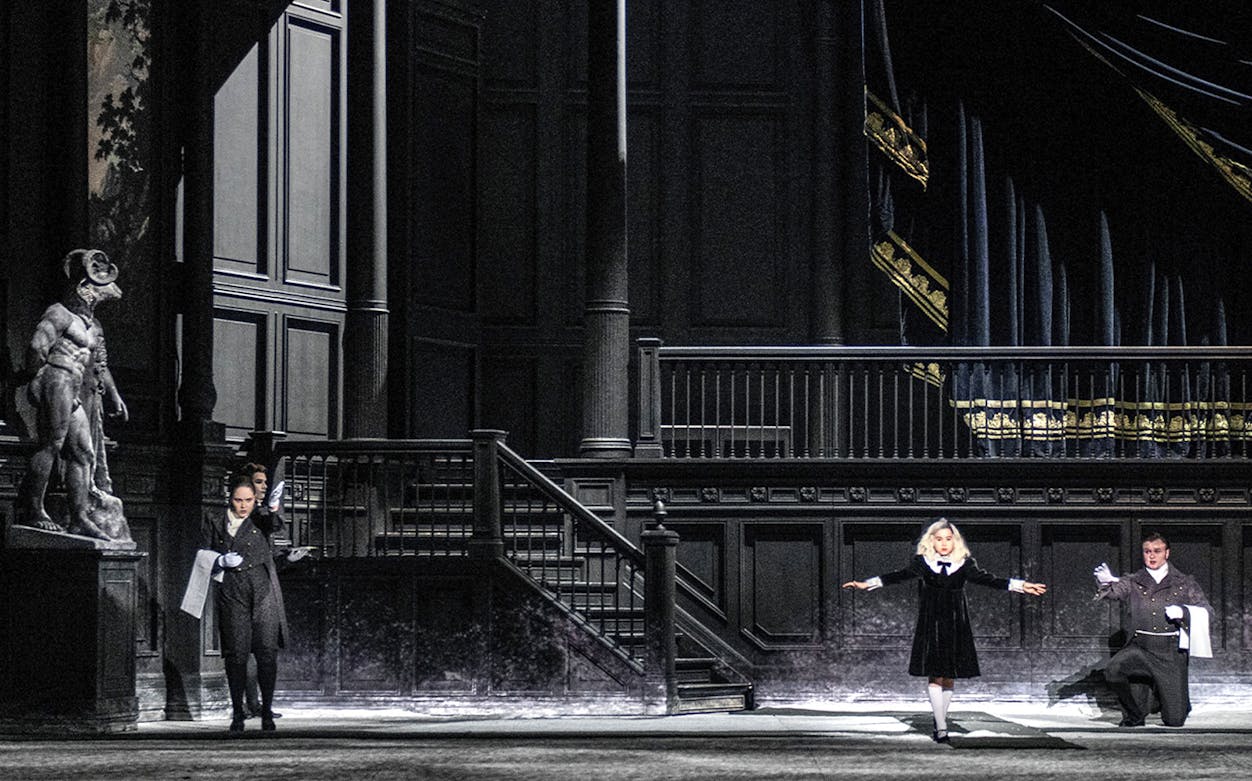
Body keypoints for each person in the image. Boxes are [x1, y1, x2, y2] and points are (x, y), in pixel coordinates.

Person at [842, 518, 1047, 743]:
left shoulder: (964, 563)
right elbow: (899, 575)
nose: (944, 544)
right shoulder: (923, 562)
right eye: (939, 539)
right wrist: (867, 583)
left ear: (955, 541)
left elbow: (989, 580)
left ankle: (942, 720)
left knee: (949, 676)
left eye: (948, 539)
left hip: (956, 623)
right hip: (932, 623)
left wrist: (1021, 585)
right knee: (935, 674)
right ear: (931, 541)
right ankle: (941, 726)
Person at [18, 249, 129, 540]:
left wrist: (114, 395)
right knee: (52, 444)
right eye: (101, 286)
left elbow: (100, 364)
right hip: (58, 376)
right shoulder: (60, 313)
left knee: (83, 452)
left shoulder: (92, 325)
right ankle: (35, 510)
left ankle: (79, 516)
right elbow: (37, 347)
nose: (108, 291)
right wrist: (39, 377)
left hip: (75, 385)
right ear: (85, 288)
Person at [202, 473, 307, 733]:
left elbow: (274, 523)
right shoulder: (216, 522)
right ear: (231, 499)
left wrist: (272, 507)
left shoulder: (259, 519)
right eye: (238, 500)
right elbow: (202, 552)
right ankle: (238, 713)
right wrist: (219, 561)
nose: (243, 505)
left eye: (248, 500)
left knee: (266, 653)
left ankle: (266, 712)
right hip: (233, 591)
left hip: (262, 592)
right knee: (236, 655)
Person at [1093, 532, 1212, 727]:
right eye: (1147, 551)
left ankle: (1167, 698)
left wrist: (1183, 612)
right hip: (1141, 647)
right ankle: (1135, 714)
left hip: (1170, 652)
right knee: (1113, 670)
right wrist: (1105, 581)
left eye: (1157, 551)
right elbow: (1114, 592)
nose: (1152, 556)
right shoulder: (1133, 580)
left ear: (1167, 553)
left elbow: (1208, 611)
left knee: (1174, 720)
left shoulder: (1184, 582)